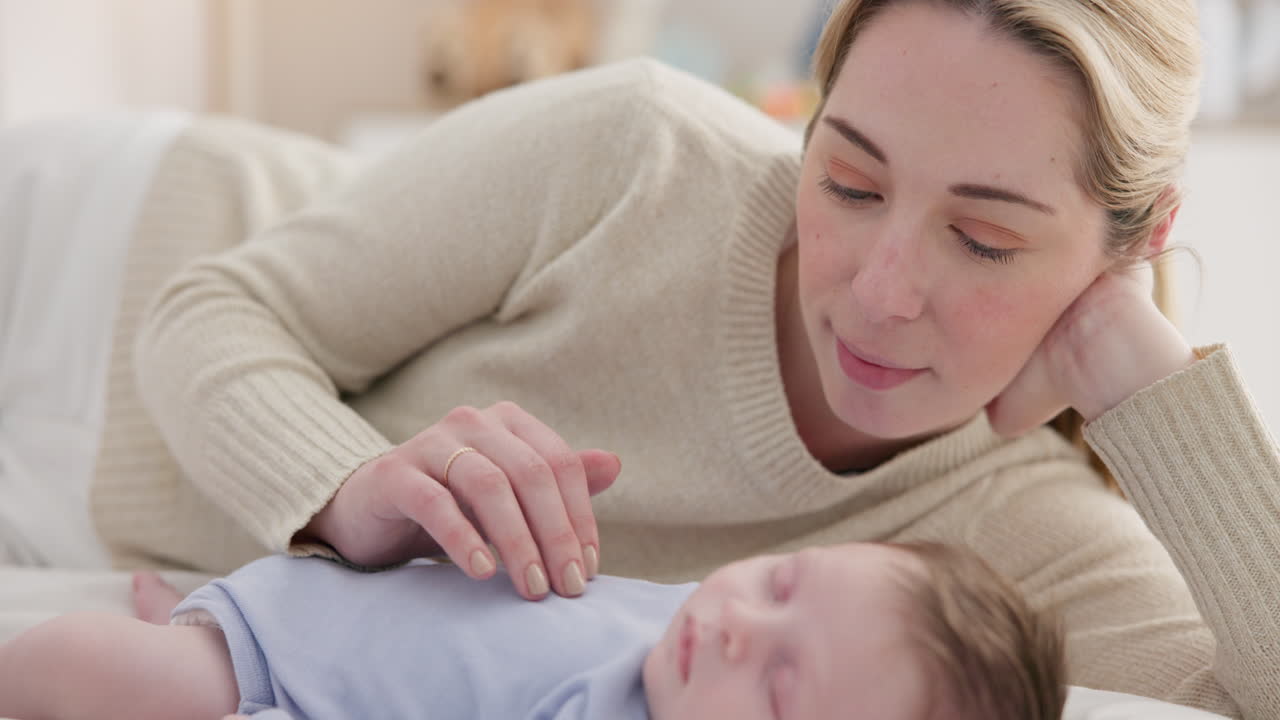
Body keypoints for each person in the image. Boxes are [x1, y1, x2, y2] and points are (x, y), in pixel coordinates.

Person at [1, 0, 1277, 717]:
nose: (883, 293)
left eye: (984, 238)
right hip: (94, 270)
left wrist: (1139, 369)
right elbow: (211, 312)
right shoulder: (640, 153)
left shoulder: (1026, 542)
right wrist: (352, 488)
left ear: (1133, 238)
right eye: (845, 180)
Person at [0, 541, 1065, 720]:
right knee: (98, 658)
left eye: (782, 694)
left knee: (78, 661)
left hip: (280, 680)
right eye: (780, 582)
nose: (739, 624)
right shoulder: (692, 635)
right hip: (301, 601)